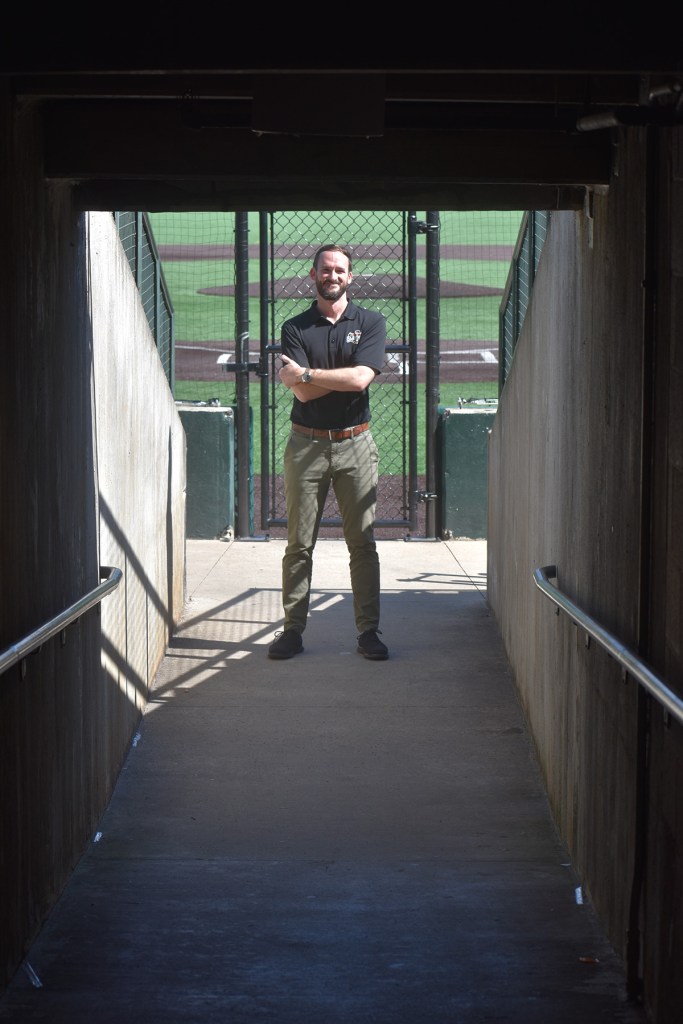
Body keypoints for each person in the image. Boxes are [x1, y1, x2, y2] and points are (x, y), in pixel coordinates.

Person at [268, 243, 389, 661]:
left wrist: (307, 373)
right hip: (306, 444)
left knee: (362, 542)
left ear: (351, 276)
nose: (332, 276)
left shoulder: (371, 322)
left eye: (339, 270)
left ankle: (368, 632)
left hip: (356, 443)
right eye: (325, 270)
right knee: (298, 544)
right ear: (313, 275)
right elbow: (301, 390)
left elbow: (359, 380)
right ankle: (292, 630)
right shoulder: (296, 327)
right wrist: (312, 378)